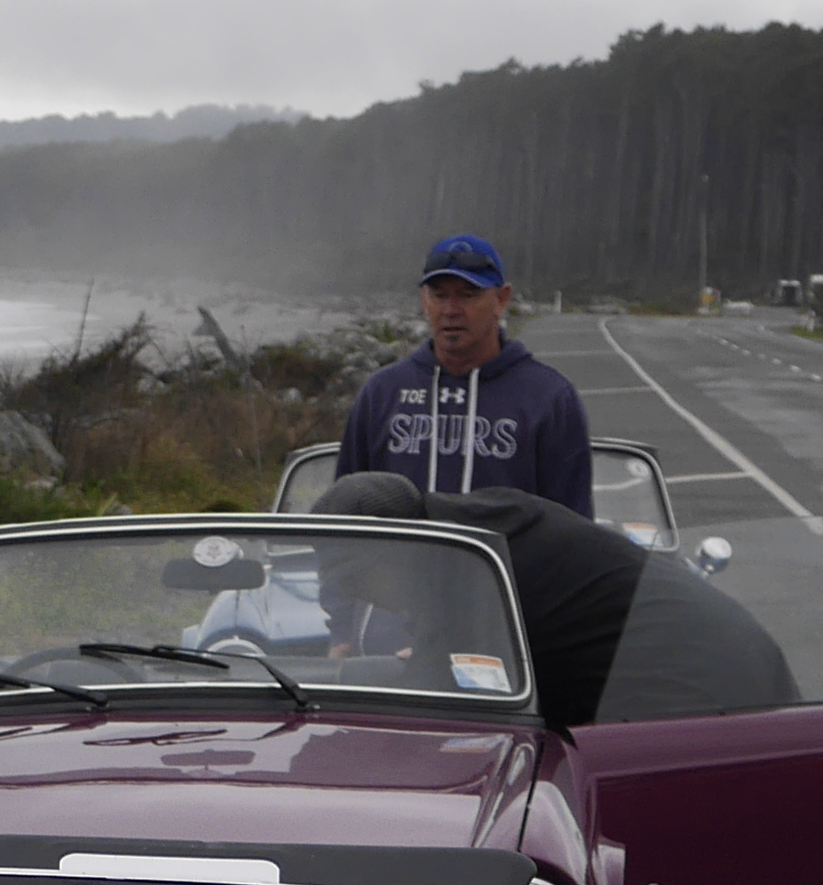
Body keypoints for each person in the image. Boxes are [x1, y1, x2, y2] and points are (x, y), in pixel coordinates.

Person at [311, 472, 793, 731]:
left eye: (357, 583)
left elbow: (451, 713)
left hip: (700, 688)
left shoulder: (469, 568)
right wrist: (434, 656)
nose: (359, 597)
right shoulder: (470, 532)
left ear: (392, 554)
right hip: (724, 660)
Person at [336, 236, 596, 516]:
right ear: (424, 300)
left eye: (467, 295)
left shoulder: (549, 399)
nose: (451, 310)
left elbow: (573, 525)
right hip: (402, 548)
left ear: (501, 299)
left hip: (506, 548)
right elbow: (347, 510)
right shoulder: (381, 393)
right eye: (439, 295)